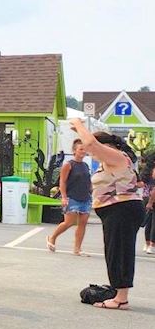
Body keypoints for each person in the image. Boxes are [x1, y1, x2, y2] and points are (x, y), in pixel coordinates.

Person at [71, 119, 142, 310]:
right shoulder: (110, 160)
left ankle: (121, 299)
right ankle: (119, 293)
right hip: (117, 211)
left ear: (105, 146)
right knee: (115, 251)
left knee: (119, 252)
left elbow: (91, 143)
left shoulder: (117, 156)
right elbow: (91, 145)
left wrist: (79, 125)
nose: (90, 154)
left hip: (122, 209)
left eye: (92, 151)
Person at [46, 138, 92, 255]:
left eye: (84, 149)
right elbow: (62, 181)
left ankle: (77, 248)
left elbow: (88, 181)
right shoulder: (68, 165)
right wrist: (64, 197)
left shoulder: (85, 165)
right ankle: (52, 237)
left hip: (85, 197)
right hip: (72, 197)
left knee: (83, 223)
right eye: (80, 149)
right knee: (69, 222)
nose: (83, 151)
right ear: (74, 151)